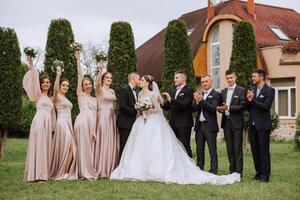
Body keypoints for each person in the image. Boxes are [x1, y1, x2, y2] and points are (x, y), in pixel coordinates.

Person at [110, 75, 240, 185]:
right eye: (141, 80)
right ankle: (138, 169)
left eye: (143, 80)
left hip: (154, 121)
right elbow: (164, 106)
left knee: (158, 145)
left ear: (148, 83)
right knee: (140, 145)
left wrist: (149, 108)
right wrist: (141, 109)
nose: (141, 82)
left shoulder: (154, 93)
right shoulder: (139, 93)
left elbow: (158, 109)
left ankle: (210, 169)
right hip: (141, 122)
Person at [23, 56, 56, 181]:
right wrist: (31, 65)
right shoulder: (37, 94)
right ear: (40, 84)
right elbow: (33, 78)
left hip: (47, 123)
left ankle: (43, 173)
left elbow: (53, 114)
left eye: (48, 82)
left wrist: (53, 125)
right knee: (38, 145)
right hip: (39, 121)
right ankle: (35, 174)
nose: (46, 84)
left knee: (45, 146)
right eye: (44, 82)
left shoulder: (51, 98)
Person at [246, 69, 275, 183]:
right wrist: (248, 101)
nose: (252, 78)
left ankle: (265, 176)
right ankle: (258, 173)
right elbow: (248, 108)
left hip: (263, 125)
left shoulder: (270, 90)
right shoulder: (252, 89)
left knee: (263, 151)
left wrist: (252, 100)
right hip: (252, 125)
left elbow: (265, 107)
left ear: (261, 77)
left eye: (254, 76)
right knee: (255, 151)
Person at [50, 66, 78, 180]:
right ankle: (62, 173)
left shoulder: (66, 98)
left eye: (67, 85)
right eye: (63, 85)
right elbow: (55, 89)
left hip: (68, 123)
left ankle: (65, 173)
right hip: (61, 122)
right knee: (68, 146)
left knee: (72, 148)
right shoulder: (56, 96)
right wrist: (58, 75)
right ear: (59, 86)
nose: (65, 87)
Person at [73, 51, 98, 180]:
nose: (88, 86)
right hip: (82, 122)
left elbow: (95, 116)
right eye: (85, 84)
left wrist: (94, 130)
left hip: (91, 124)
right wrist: (78, 60)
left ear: (92, 86)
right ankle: (82, 172)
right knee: (82, 146)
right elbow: (79, 75)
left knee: (89, 147)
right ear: (82, 87)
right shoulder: (80, 94)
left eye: (89, 84)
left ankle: (89, 169)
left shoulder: (95, 99)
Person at [217, 70, 245, 176]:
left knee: (237, 147)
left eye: (231, 78)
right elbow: (221, 107)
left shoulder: (241, 90)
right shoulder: (223, 91)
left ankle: (239, 171)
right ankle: (232, 169)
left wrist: (229, 107)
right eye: (227, 78)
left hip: (237, 123)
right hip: (226, 123)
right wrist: (220, 109)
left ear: (235, 78)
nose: (229, 80)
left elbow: (243, 106)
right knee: (229, 148)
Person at [160, 70, 194, 158]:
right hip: (173, 123)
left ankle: (190, 168)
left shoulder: (189, 90)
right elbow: (167, 107)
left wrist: (171, 100)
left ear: (183, 79)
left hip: (184, 123)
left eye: (176, 78)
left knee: (185, 147)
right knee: (174, 147)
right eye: (174, 78)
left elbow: (185, 105)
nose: (174, 80)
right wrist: (161, 103)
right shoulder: (173, 92)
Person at [94, 61, 119, 178]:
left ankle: (110, 168)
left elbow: (113, 105)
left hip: (111, 117)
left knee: (111, 141)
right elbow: (96, 84)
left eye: (110, 77)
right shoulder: (100, 89)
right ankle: (101, 168)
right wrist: (100, 71)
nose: (109, 79)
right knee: (103, 140)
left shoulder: (112, 91)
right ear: (103, 79)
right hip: (103, 116)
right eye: (107, 77)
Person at [192, 74, 221, 174]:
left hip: (210, 126)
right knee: (199, 149)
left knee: (212, 149)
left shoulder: (216, 94)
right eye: (203, 82)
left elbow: (213, 109)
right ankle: (200, 169)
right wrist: (196, 102)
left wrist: (201, 101)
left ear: (211, 82)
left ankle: (213, 170)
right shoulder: (201, 94)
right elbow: (194, 109)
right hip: (199, 125)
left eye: (206, 81)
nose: (204, 84)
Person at [117, 72, 140, 158]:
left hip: (133, 123)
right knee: (124, 146)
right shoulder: (124, 89)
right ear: (133, 79)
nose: (140, 80)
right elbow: (122, 106)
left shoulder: (136, 92)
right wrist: (135, 112)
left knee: (131, 147)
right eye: (138, 78)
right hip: (125, 124)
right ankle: (121, 168)